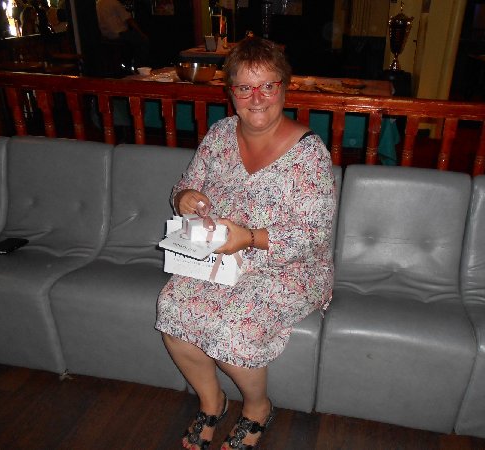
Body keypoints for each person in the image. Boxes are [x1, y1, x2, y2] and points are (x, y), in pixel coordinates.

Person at [155, 36, 335, 450]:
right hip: (221, 261)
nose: (257, 98)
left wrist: (250, 238)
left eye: (268, 85)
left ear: (284, 88)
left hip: (290, 267)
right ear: (230, 92)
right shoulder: (219, 135)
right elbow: (185, 187)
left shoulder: (309, 154)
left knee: (233, 330)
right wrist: (184, 198)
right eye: (245, 87)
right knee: (172, 307)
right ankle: (211, 401)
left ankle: (257, 408)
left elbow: (314, 235)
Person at [95, 0, 149, 67]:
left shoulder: (98, 3)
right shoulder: (114, 2)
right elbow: (128, 19)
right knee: (142, 41)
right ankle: (139, 66)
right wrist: (141, 33)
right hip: (118, 33)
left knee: (131, 39)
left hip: (105, 35)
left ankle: (126, 64)